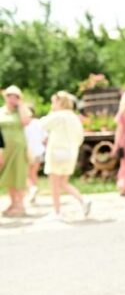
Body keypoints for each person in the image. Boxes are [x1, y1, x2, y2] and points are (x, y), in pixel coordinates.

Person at [39, 91, 91, 221]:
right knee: (63, 183)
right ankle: (83, 200)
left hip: (56, 153)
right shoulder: (74, 117)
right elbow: (80, 137)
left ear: (59, 102)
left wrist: (51, 112)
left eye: (53, 102)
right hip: (71, 154)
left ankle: (57, 212)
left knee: (54, 184)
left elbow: (42, 124)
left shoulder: (58, 116)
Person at [0, 85, 31, 217]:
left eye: (15, 96)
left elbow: (26, 122)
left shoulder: (21, 111)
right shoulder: (1, 111)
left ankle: (20, 204)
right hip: (4, 149)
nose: (12, 98)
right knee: (8, 177)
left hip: (18, 149)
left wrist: (20, 105)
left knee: (19, 175)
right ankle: (13, 203)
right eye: (9, 96)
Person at [24, 106, 47, 205]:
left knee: (25, 174)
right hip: (39, 151)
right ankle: (33, 195)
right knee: (33, 173)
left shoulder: (24, 124)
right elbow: (45, 138)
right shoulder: (39, 123)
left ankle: (31, 189)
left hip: (27, 151)